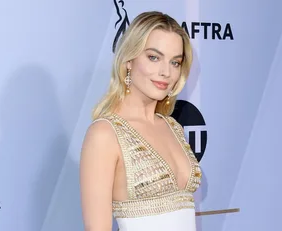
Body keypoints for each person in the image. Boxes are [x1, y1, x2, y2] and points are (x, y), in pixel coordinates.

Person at [79, 11, 202, 231]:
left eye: (175, 62)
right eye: (154, 57)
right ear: (129, 60)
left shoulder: (172, 127)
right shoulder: (105, 134)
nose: (166, 72)